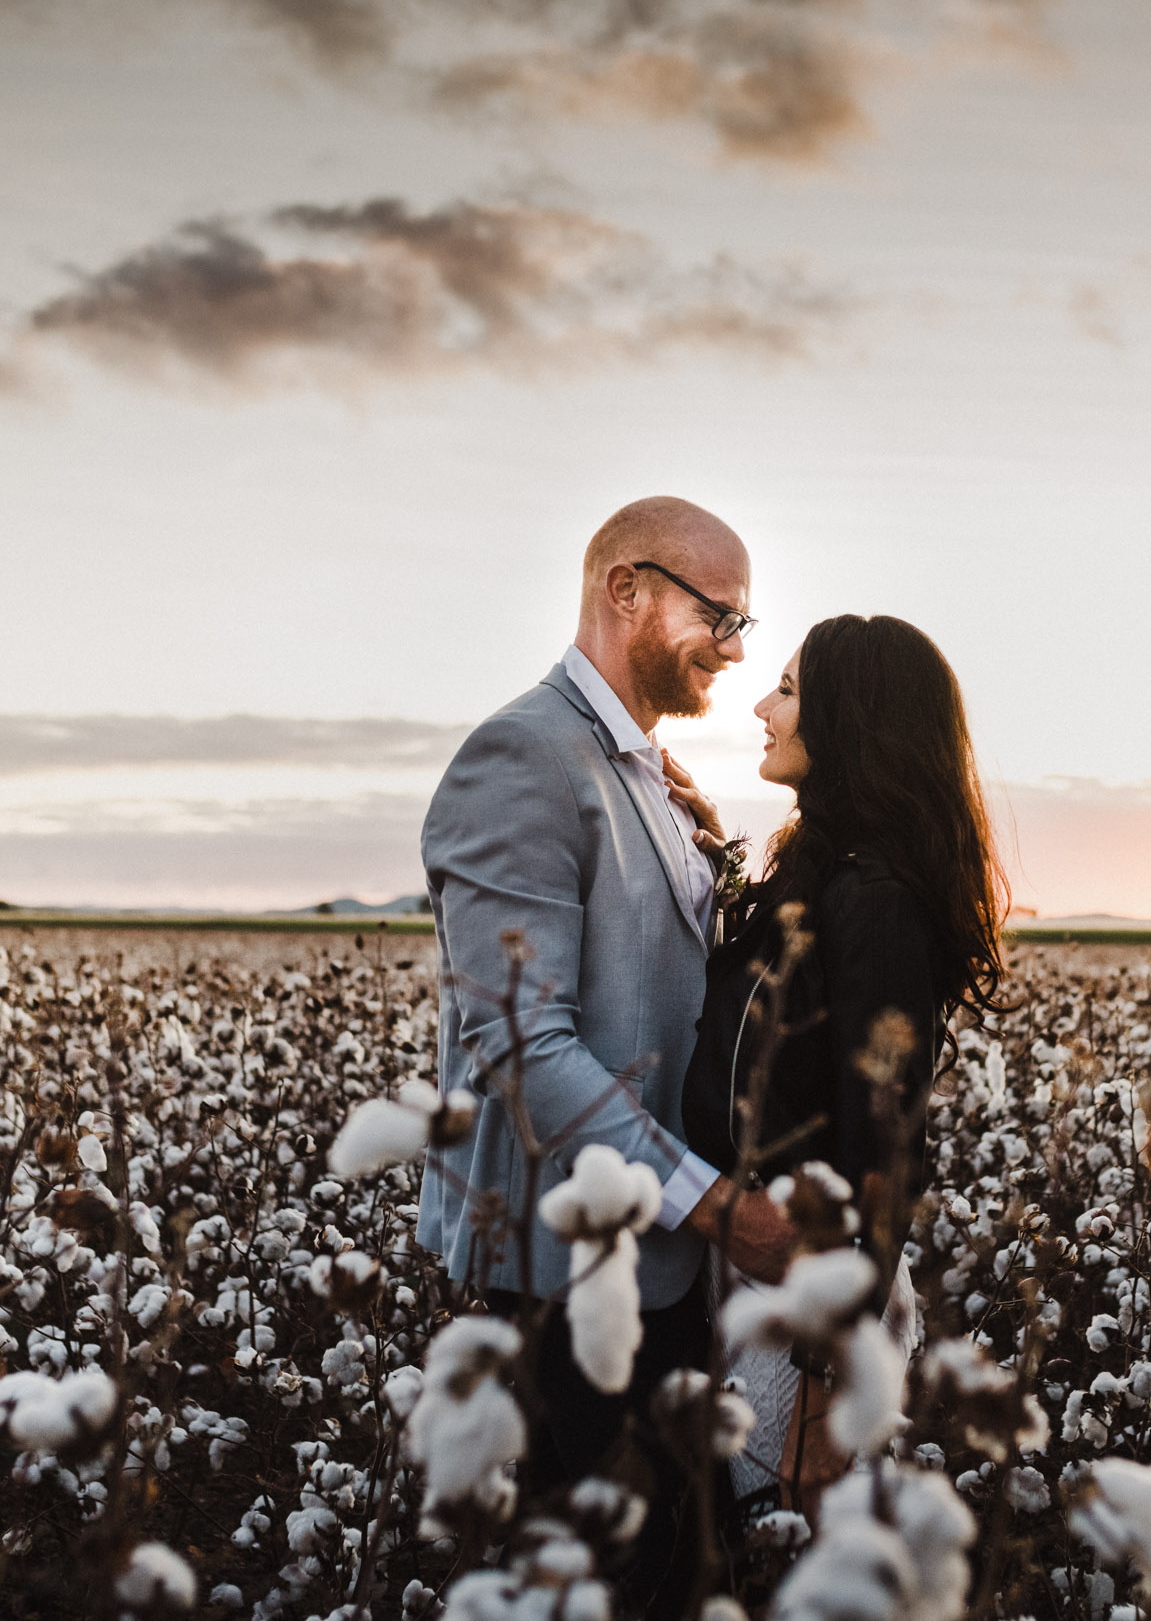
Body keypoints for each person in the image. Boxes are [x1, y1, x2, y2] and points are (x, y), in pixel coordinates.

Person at [415, 495, 767, 1619]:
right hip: (553, 1274)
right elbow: (523, 1042)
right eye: (720, 614)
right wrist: (715, 1205)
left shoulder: (640, 770)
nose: (734, 646)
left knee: (661, 1565)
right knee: (593, 1580)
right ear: (627, 589)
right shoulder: (523, 753)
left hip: (641, 1259)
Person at [671, 614, 1014, 1510]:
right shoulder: (824, 877)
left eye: (786, 689)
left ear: (851, 720)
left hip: (813, 1312)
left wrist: (826, 1387)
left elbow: (883, 1150)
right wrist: (712, 857)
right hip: (762, 1276)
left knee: (792, 1558)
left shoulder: (876, 901)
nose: (761, 704)